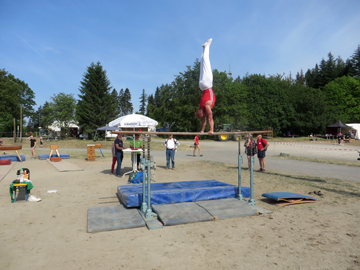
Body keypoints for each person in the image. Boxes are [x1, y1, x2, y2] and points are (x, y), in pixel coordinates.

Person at [195, 38, 216, 135]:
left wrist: (211, 130)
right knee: (203, 63)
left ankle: (207, 46)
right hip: (202, 86)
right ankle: (205, 47)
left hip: (207, 85)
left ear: (200, 112)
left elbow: (210, 118)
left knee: (206, 63)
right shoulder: (202, 108)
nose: (203, 117)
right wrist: (202, 131)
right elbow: (205, 120)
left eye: (201, 116)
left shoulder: (206, 107)